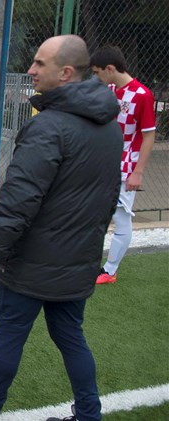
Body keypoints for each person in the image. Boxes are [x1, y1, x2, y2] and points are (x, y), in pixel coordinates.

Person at [0, 35, 122, 421]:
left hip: (33, 262)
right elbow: (107, 198)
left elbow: (19, 198)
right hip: (79, 259)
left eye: (39, 64)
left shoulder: (48, 127)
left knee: (11, 333)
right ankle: (89, 414)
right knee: (71, 336)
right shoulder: (111, 129)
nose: (31, 71)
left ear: (66, 73)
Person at [90, 45, 157, 285]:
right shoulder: (109, 89)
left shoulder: (142, 95)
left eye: (98, 72)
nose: (96, 77)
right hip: (103, 163)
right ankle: (88, 263)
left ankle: (110, 270)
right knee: (93, 212)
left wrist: (137, 172)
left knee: (121, 217)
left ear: (110, 68)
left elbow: (149, 136)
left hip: (125, 167)